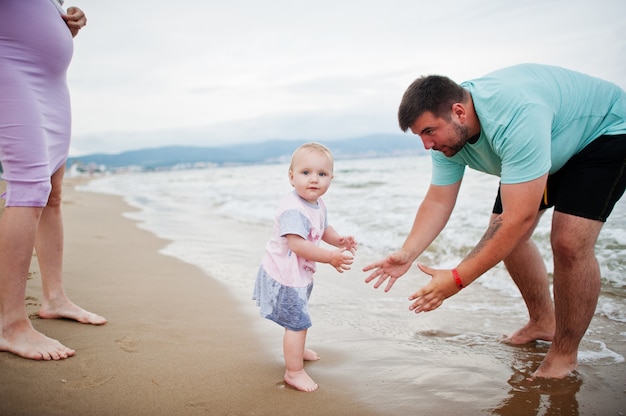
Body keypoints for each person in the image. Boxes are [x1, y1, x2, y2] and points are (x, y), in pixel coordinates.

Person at [363, 63, 626, 379]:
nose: (427, 145)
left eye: (429, 132)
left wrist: (458, 278)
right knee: (505, 236)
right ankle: (543, 321)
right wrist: (408, 253)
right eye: (420, 136)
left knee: (567, 243)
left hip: (604, 133)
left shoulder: (514, 117)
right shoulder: (448, 141)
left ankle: (564, 354)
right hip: (549, 143)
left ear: (459, 112)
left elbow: (518, 218)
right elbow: (437, 200)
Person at [0, 1, 107, 361]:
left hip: (52, 82)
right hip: (9, 64)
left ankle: (54, 297)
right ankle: (10, 323)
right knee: (28, 186)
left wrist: (66, 24)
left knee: (52, 193)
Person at [253, 143, 357, 392]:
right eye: (306, 172)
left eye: (322, 174)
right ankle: (294, 371)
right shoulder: (293, 209)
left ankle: (296, 351)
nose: (314, 179)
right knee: (298, 323)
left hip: (298, 274)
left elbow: (322, 228)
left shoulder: (317, 204)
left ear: (331, 178)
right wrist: (331, 257)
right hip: (285, 275)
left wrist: (338, 240)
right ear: (291, 177)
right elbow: (298, 245)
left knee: (299, 319)